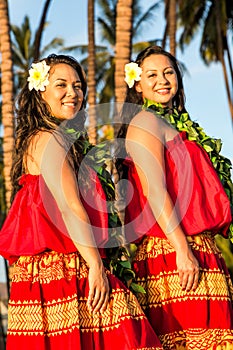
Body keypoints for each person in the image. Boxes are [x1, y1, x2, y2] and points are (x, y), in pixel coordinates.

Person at [0, 54, 163, 350]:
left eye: (78, 85)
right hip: (61, 272)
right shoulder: (49, 139)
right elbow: (68, 207)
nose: (72, 93)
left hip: (71, 266)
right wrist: (96, 268)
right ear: (41, 91)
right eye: (61, 84)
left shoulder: (61, 140)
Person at [116, 45, 233, 349]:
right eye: (152, 74)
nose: (163, 80)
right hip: (171, 251)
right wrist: (182, 249)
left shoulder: (173, 123)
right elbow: (154, 189)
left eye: (168, 72)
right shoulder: (144, 122)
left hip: (195, 248)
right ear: (137, 84)